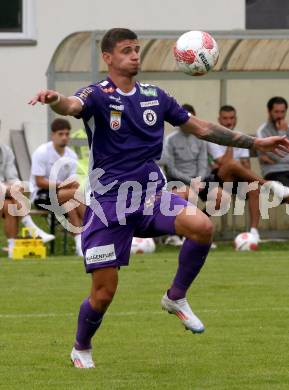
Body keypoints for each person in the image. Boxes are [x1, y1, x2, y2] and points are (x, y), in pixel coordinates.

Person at [29, 28, 289, 369]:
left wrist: (254, 144)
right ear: (108, 58)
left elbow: (201, 127)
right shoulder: (98, 95)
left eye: (137, 50)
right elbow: (72, 104)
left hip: (150, 195)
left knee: (202, 226)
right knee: (103, 294)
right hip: (110, 205)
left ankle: (175, 297)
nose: (135, 55)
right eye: (126, 50)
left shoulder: (155, 95)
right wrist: (54, 100)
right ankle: (82, 346)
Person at [164, 103, 227, 246]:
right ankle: (176, 236)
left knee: (221, 197)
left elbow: (203, 163)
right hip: (178, 180)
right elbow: (172, 169)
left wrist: (198, 180)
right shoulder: (170, 140)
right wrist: (191, 182)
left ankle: (199, 229)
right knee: (183, 195)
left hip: (199, 179)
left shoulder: (200, 139)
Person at [29, 118, 85, 256]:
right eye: (61, 134)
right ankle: (95, 225)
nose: (64, 137)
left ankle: (80, 245)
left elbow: (73, 179)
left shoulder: (71, 155)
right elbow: (39, 181)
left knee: (70, 203)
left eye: (67, 134)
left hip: (63, 195)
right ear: (52, 135)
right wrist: (64, 185)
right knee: (75, 194)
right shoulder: (42, 152)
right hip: (40, 195)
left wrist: (71, 184)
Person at [207, 105, 262, 241]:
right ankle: (267, 183)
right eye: (225, 118)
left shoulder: (241, 136)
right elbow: (223, 163)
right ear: (219, 119)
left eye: (231, 118)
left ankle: (254, 232)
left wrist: (242, 169)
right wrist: (231, 142)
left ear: (236, 119)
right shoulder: (212, 136)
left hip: (238, 178)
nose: (229, 122)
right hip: (218, 178)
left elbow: (246, 164)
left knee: (254, 187)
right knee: (232, 164)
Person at [257, 97, 289, 192]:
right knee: (286, 190)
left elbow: (274, 158)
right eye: (276, 112)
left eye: (282, 112)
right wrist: (281, 132)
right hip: (274, 172)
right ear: (269, 111)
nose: (280, 116)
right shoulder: (262, 132)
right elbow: (278, 156)